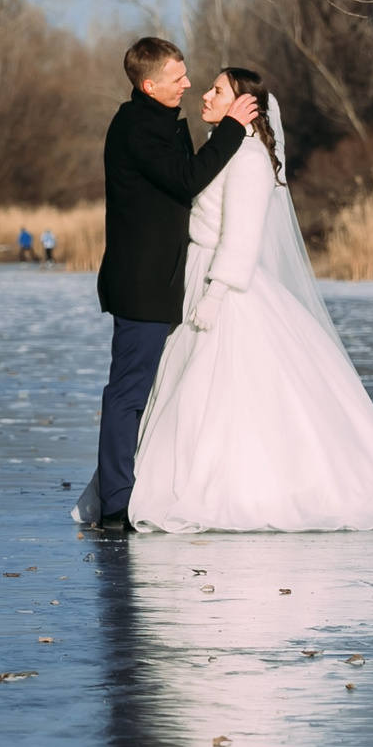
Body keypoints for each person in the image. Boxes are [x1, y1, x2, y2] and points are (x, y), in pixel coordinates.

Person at [97, 67, 373, 534]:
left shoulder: (249, 158)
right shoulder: (221, 146)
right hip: (193, 279)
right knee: (179, 388)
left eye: (217, 90)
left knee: (223, 389)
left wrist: (216, 294)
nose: (204, 94)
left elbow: (242, 239)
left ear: (243, 104)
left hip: (223, 288)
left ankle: (228, 489)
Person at [80, 36, 257, 531]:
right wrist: (232, 128)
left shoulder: (155, 121)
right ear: (149, 84)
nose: (188, 83)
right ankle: (116, 503)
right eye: (177, 77)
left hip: (161, 281)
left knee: (144, 392)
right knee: (128, 392)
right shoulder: (138, 128)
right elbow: (186, 179)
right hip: (143, 284)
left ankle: (135, 488)